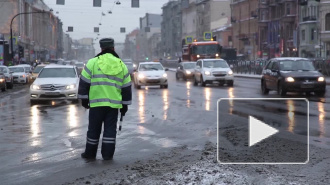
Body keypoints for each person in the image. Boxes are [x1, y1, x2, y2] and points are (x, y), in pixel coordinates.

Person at [78, 38, 132, 160]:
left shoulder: (92, 63)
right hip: (113, 106)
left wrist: (84, 99)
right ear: (113, 48)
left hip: (96, 104)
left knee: (93, 130)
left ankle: (90, 154)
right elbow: (126, 87)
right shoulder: (121, 65)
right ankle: (107, 155)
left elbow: (84, 82)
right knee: (110, 131)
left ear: (101, 48)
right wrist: (125, 105)